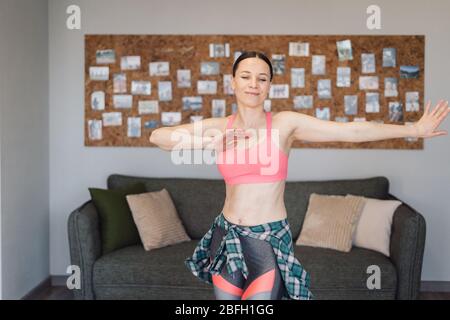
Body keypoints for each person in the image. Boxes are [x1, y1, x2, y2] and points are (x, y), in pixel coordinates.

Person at [149, 51, 450, 300]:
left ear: (268, 86)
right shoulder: (219, 126)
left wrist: (413, 130)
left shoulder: (285, 124)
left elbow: (350, 131)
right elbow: (158, 138)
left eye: (262, 78)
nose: (254, 84)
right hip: (225, 236)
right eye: (246, 76)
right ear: (233, 83)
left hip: (266, 241)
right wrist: (207, 142)